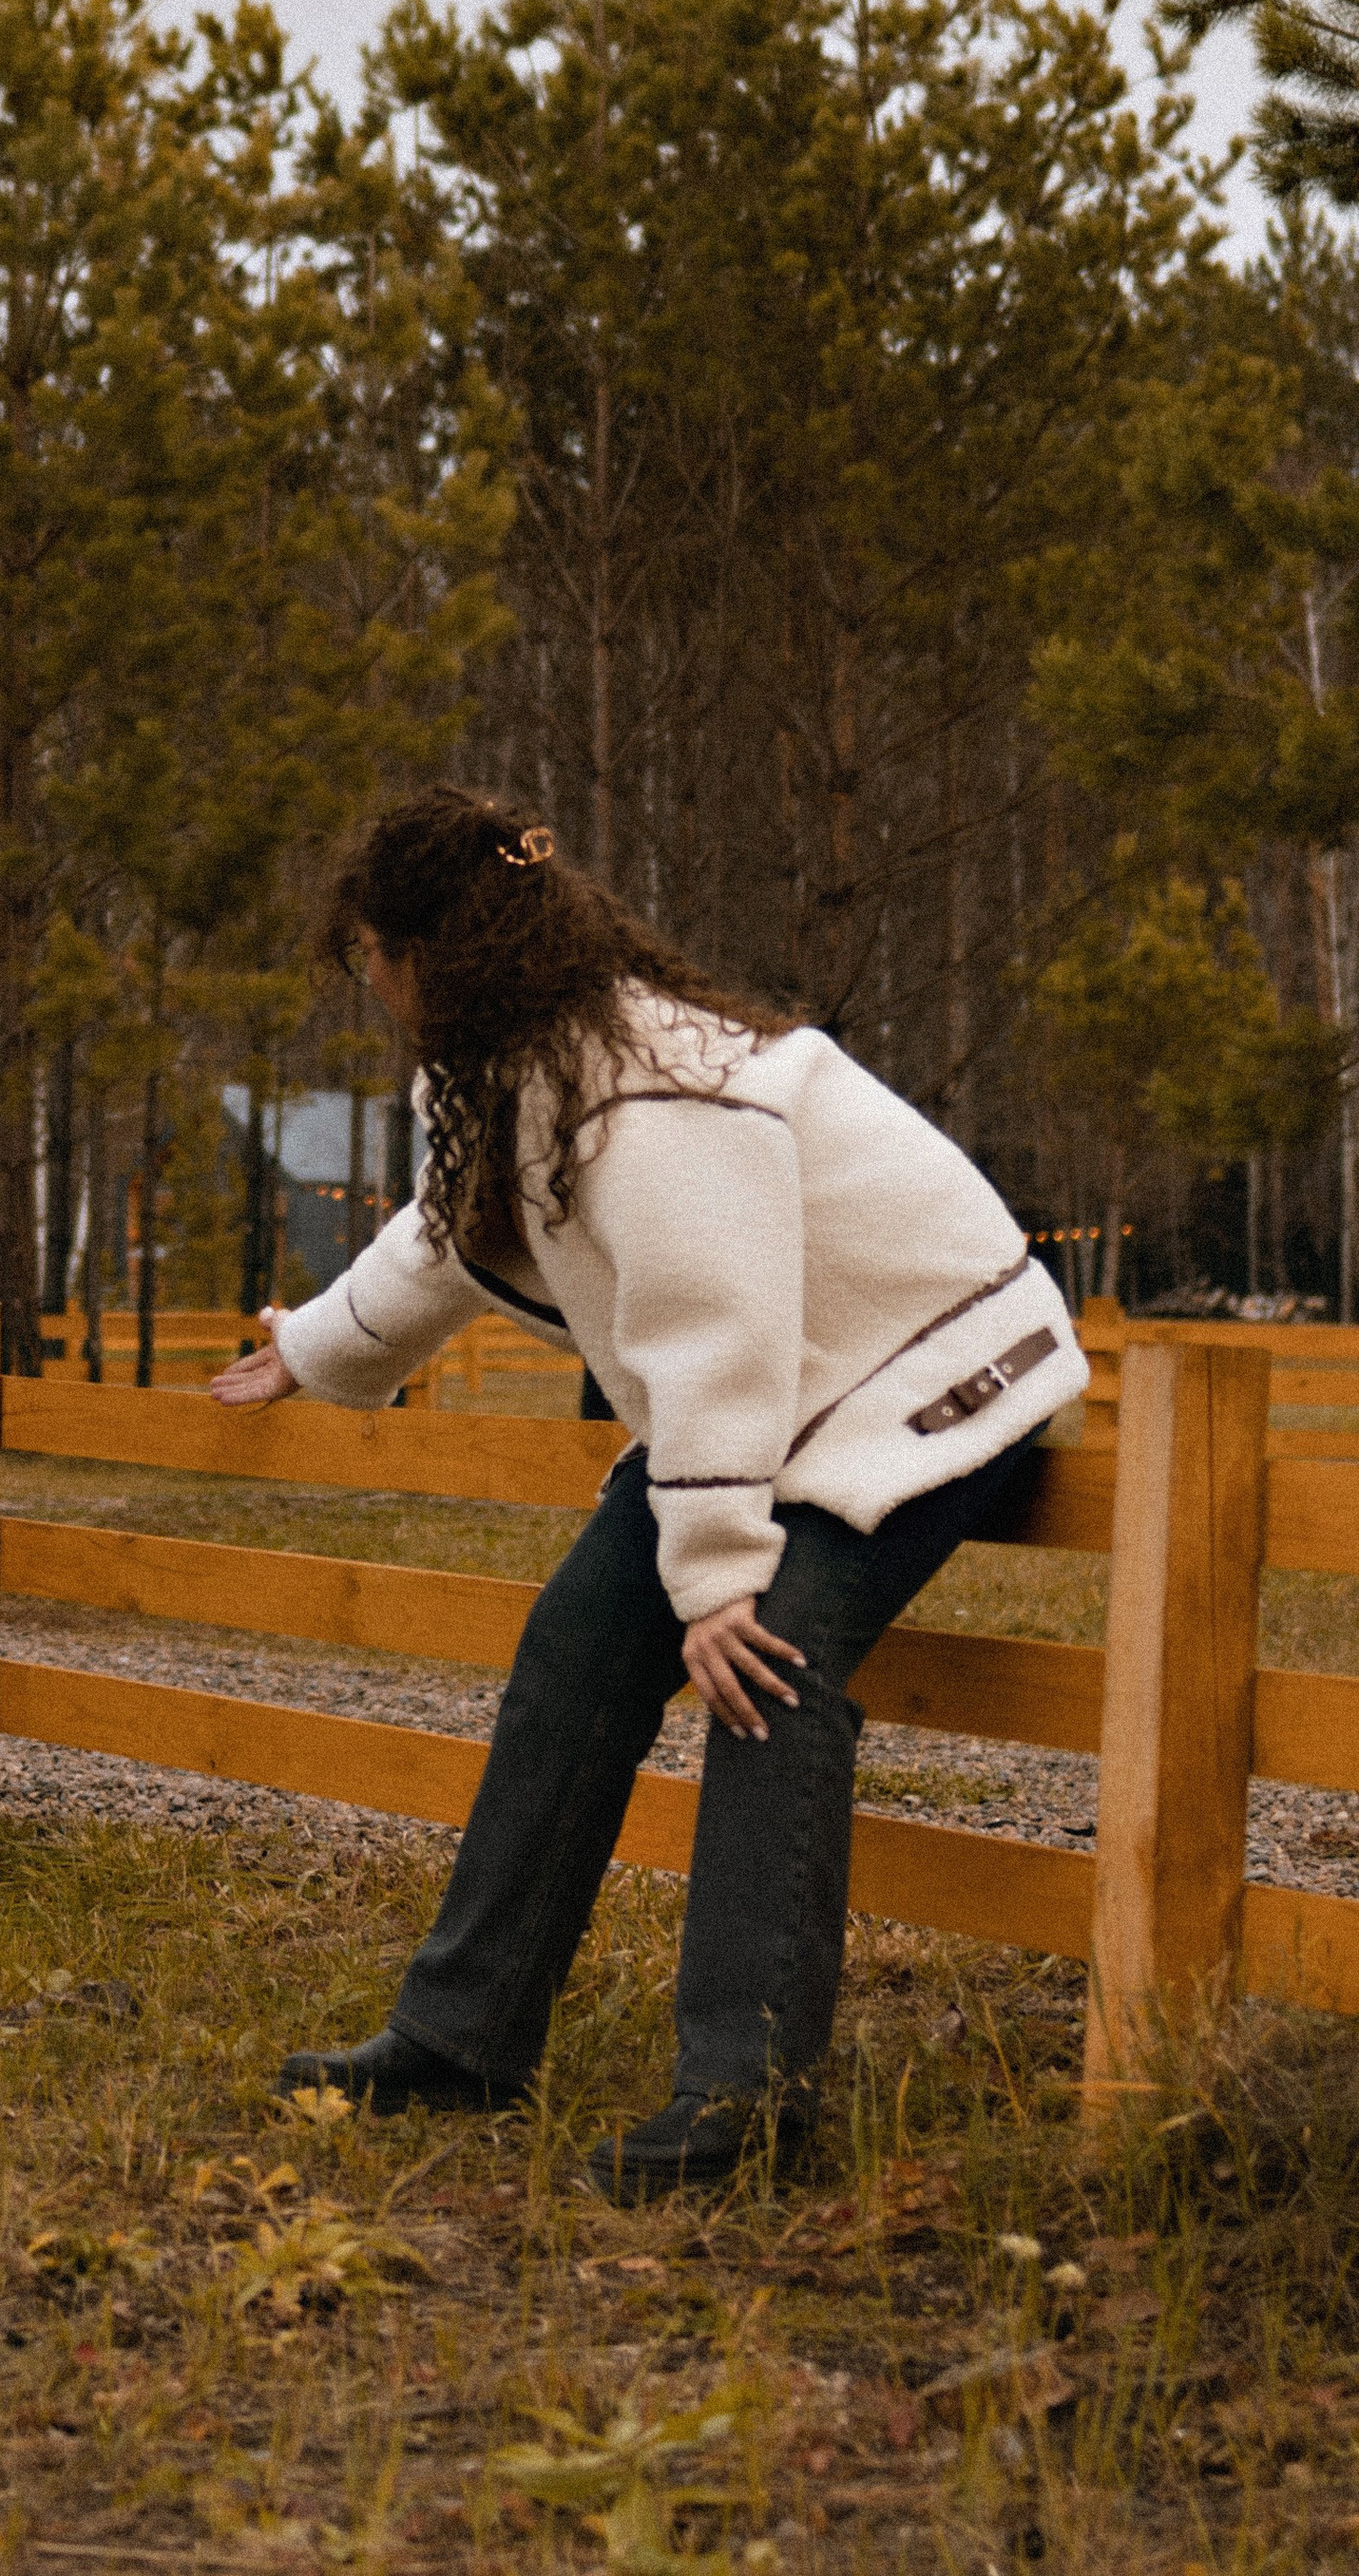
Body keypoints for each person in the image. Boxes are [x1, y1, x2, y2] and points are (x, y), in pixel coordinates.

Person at [210, 789, 1084, 2200]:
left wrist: (720, 1574)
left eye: (372, 952)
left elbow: (713, 1325)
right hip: (788, 1393)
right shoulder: (511, 1058)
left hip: (922, 1376)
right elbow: (448, 1238)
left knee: (763, 1670)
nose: (366, 982)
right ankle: (461, 2038)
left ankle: (750, 2105)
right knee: (572, 1659)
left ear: (434, 945)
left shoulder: (651, 1083)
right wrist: (313, 1350)